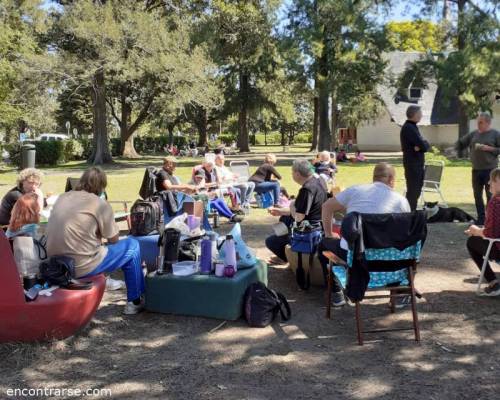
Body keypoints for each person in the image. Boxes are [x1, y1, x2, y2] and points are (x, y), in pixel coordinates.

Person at [47, 167, 145, 315]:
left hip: (55, 263)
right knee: (132, 246)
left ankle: (132, 297)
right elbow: (113, 239)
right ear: (102, 187)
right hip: (80, 266)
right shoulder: (99, 204)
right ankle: (135, 301)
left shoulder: (63, 197)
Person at [318, 163, 411, 306]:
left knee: (324, 244)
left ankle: (336, 294)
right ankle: (399, 295)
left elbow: (326, 206)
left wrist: (329, 233)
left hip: (354, 257)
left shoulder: (355, 190)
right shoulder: (400, 200)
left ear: (374, 177)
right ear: (391, 179)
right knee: (402, 249)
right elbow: (406, 234)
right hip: (387, 261)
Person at [265, 159, 328, 264]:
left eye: (292, 172)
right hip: (317, 225)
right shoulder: (317, 182)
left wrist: (291, 205)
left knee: (271, 241)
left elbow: (299, 217)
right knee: (284, 218)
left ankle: (287, 257)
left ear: (297, 174)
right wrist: (280, 211)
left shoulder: (307, 190)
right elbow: (301, 210)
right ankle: (286, 254)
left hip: (309, 231)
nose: (292, 175)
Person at [457, 112, 500, 225]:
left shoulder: (495, 134)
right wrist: (455, 147)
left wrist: (489, 148)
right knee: (477, 195)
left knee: (490, 195)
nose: (478, 125)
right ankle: (481, 219)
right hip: (476, 170)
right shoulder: (474, 134)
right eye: (478, 122)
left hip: (490, 170)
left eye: (481, 122)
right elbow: (462, 142)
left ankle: (491, 219)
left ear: (488, 123)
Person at [464, 168, 500, 296]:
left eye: (492, 180)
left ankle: (493, 282)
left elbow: (491, 233)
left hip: (497, 248)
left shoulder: (495, 202)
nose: (489, 183)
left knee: (472, 241)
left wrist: (475, 230)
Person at [400, 105, 430, 211]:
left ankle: (410, 213)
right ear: (414, 114)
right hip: (413, 165)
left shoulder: (413, 127)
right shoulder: (409, 127)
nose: (421, 115)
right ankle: (409, 214)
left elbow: (425, 145)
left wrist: (422, 146)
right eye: (420, 113)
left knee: (416, 191)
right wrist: (422, 146)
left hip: (416, 165)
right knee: (413, 191)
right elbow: (422, 145)